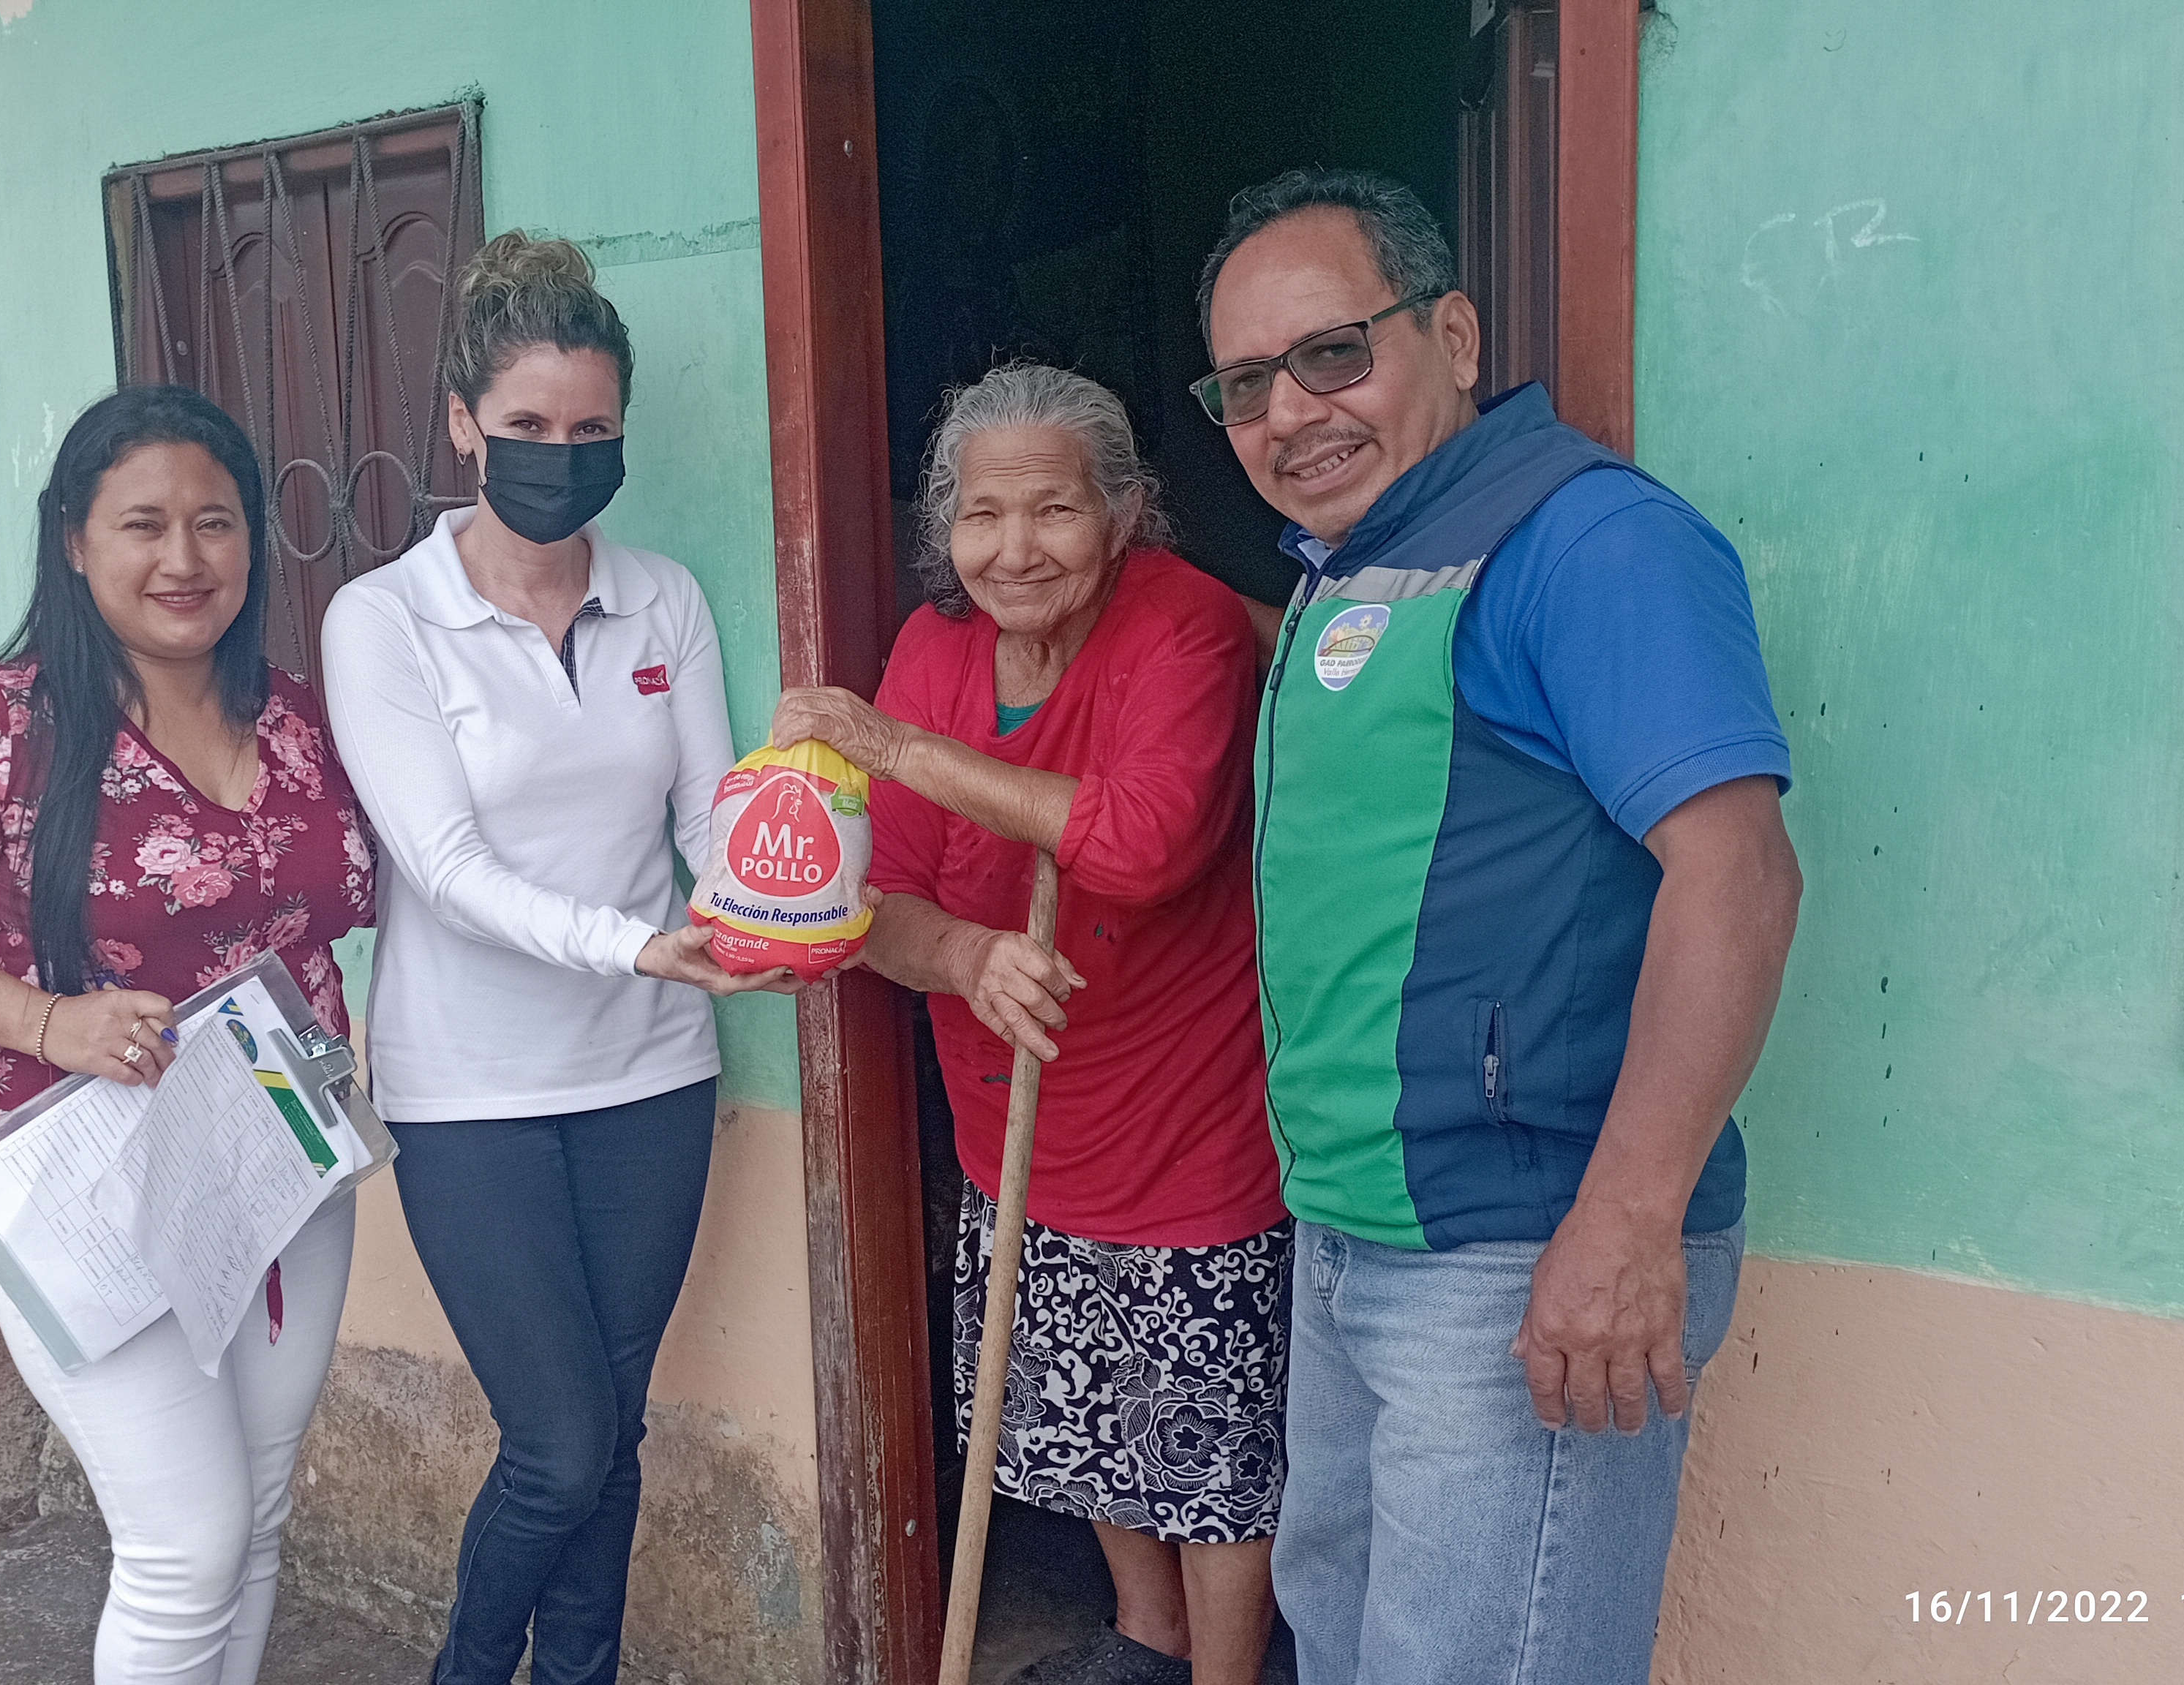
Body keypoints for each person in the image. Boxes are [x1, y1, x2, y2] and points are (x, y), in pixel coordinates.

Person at [1191, 167, 1804, 1685]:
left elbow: (1738, 874)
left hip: (1526, 1247)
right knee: (1345, 1642)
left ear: (1453, 336)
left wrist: (1628, 1222)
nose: (1290, 413)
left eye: (1333, 354)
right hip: (1356, 1237)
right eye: (1246, 384)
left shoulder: (1586, 543)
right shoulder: (1352, 570)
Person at [0, 386, 377, 1685]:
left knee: (257, 1515)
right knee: (186, 1546)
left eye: (216, 523)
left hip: (286, 1158)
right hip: (92, 1185)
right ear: (74, 540)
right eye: (143, 524)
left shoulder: (298, 717)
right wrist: (46, 1020)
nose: (184, 558)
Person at [317, 231, 791, 1685]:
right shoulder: (385, 620)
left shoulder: (664, 600)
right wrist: (638, 945)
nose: (560, 457)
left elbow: (706, 815)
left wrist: (770, 903)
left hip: (651, 1077)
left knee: (615, 1431)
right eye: (527, 426)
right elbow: (446, 873)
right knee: (561, 1441)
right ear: (464, 424)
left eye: (593, 432)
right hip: (475, 1092)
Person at [773, 363, 1288, 1685]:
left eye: (1054, 510)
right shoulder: (934, 650)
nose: (1016, 550)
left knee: (1206, 1451)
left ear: (1123, 511)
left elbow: (1145, 844)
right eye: (982, 515)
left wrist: (898, 749)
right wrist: (966, 954)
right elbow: (870, 900)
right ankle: (1145, 1638)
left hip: (1188, 1111)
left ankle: (1225, 1672)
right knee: (1081, 1408)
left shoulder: (1183, 626)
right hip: (1016, 1105)